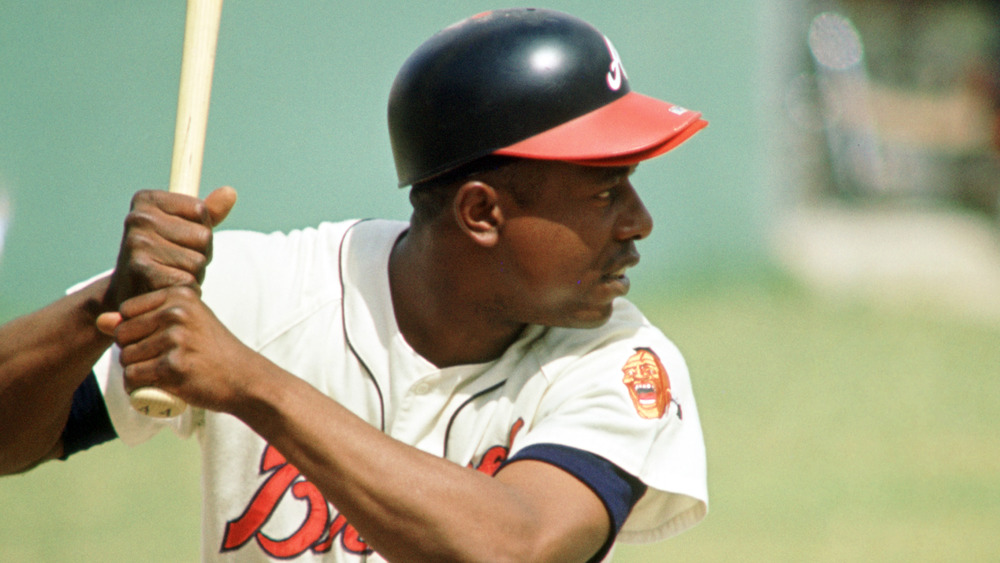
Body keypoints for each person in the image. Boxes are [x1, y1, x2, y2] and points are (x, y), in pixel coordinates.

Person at [0, 8, 708, 562]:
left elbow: (514, 547)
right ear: (482, 212)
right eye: (606, 192)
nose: (639, 223)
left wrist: (250, 383)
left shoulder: (624, 364)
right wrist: (104, 305)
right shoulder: (260, 290)